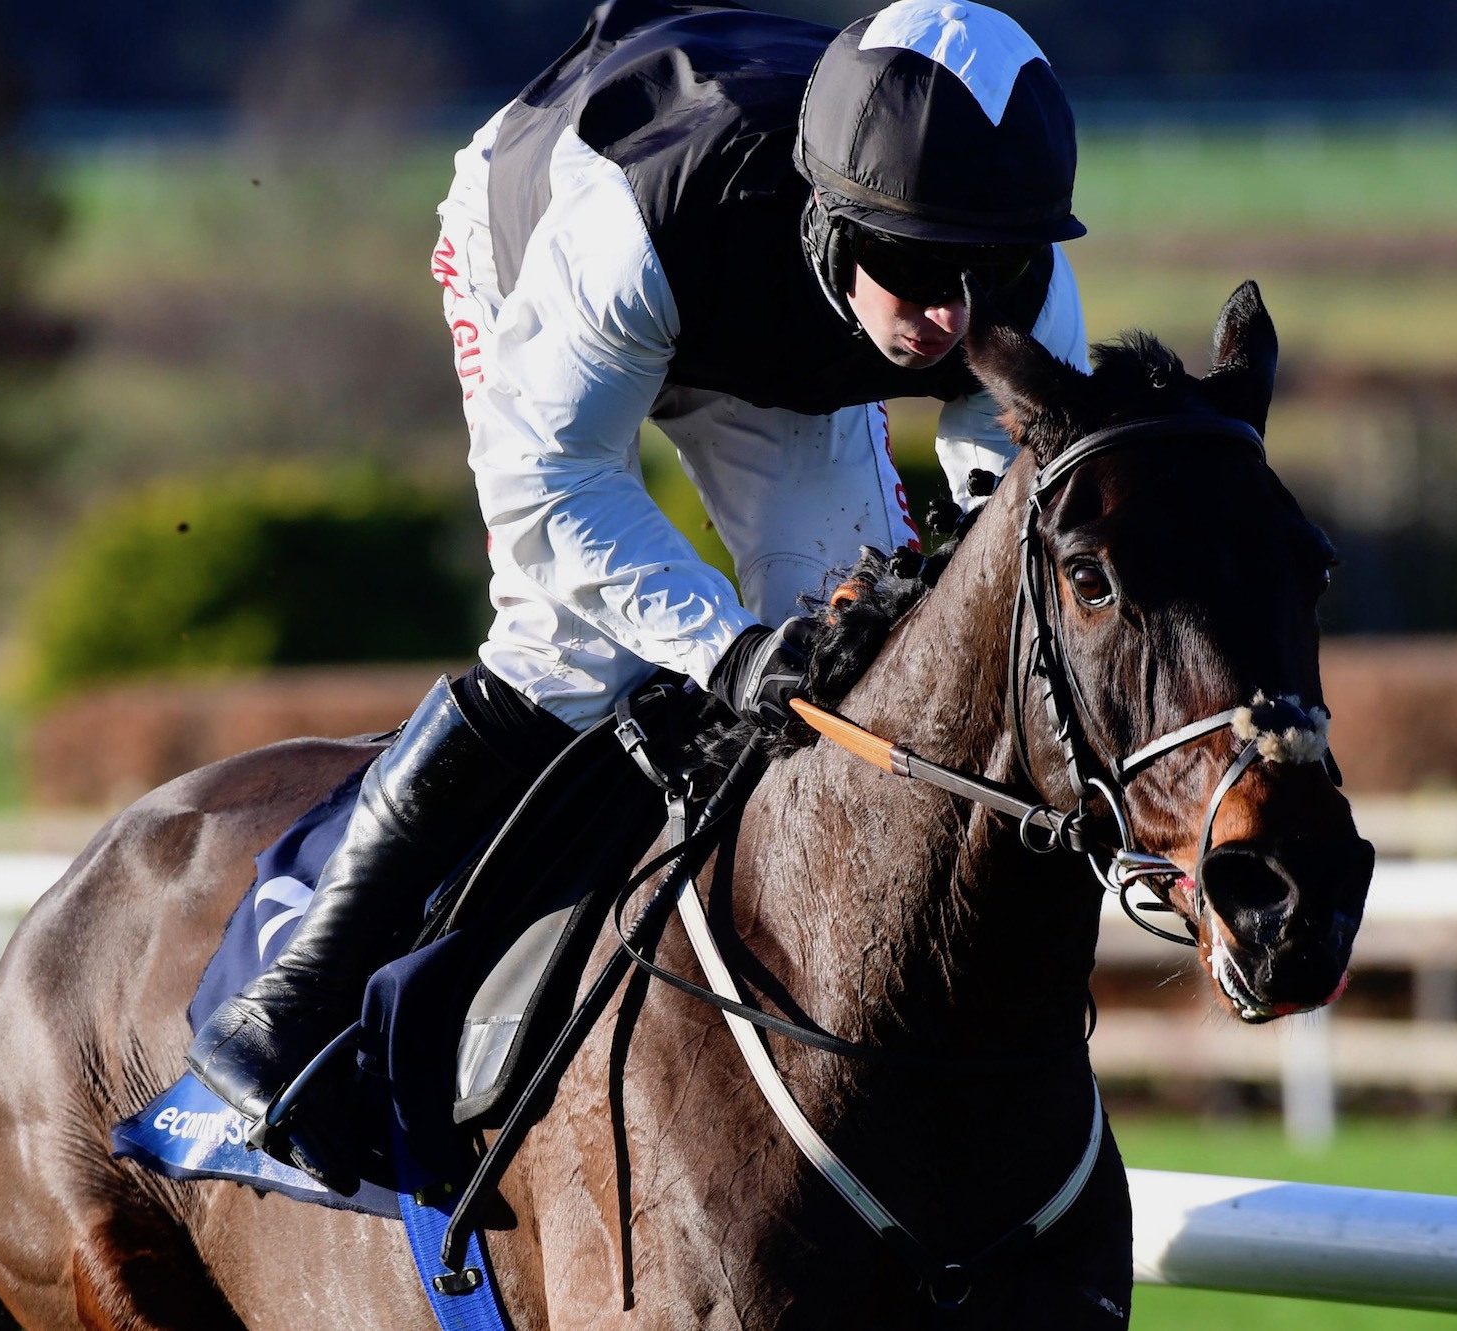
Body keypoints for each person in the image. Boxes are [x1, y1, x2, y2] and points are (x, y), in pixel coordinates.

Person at [187, 0, 1092, 1175]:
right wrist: (722, 646)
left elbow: (1007, 494)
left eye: (990, 274)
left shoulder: (997, 244)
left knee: (860, 652)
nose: (952, 316)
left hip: (766, 333)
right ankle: (296, 993)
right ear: (836, 212)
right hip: (550, 243)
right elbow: (548, 482)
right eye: (917, 272)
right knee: (574, 644)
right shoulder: (634, 225)